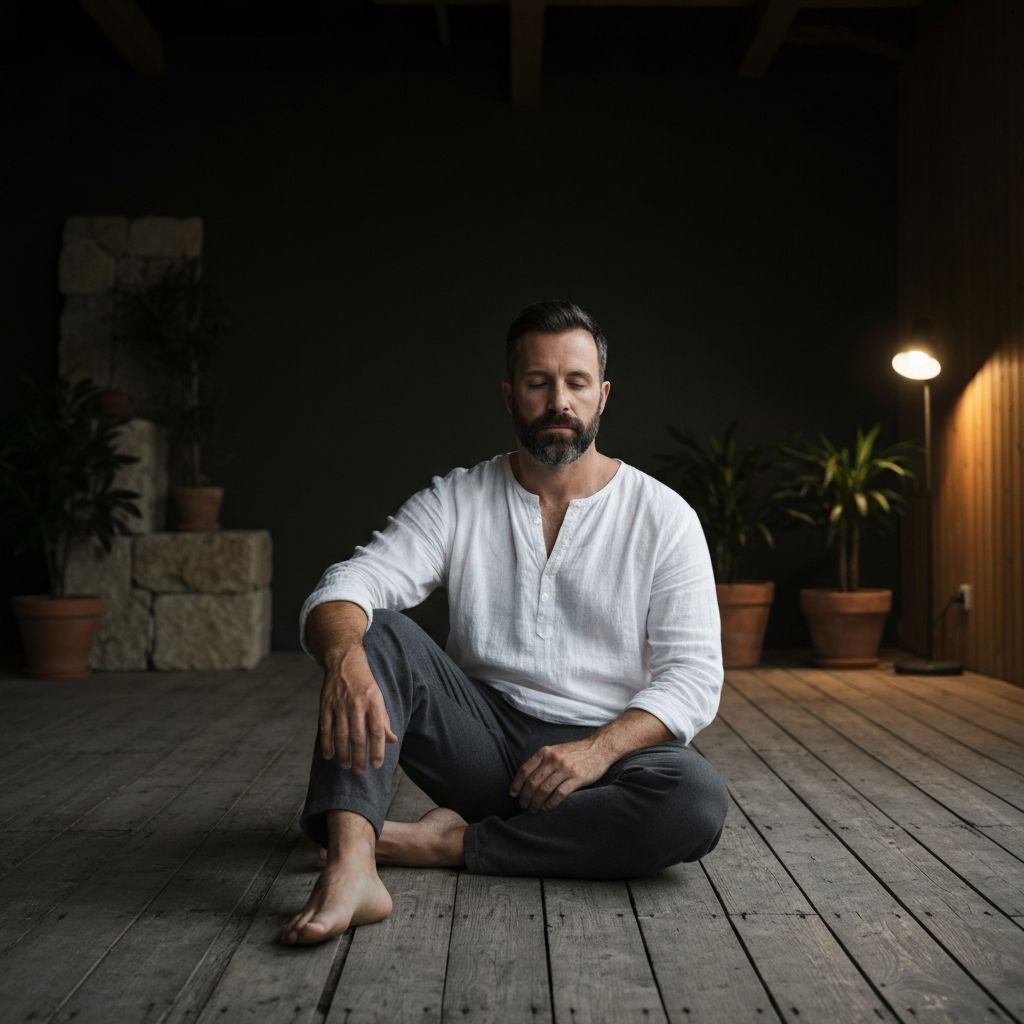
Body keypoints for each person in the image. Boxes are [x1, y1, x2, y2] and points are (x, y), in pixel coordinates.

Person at [281, 300, 728, 946]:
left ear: (602, 396)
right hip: (481, 746)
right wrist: (344, 657)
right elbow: (350, 583)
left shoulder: (664, 517)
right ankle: (352, 867)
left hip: (602, 765)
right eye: (538, 381)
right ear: (509, 393)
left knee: (694, 799)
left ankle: (446, 844)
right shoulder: (459, 498)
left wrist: (597, 751)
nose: (559, 401)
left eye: (576, 382)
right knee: (371, 632)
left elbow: (693, 679)